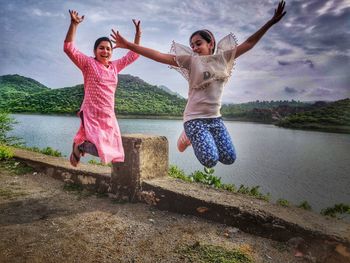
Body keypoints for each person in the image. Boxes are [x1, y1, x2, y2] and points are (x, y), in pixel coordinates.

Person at [111, 1, 286, 168]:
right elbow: (157, 55)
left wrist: (270, 22)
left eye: (198, 43)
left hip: (215, 119)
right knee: (210, 159)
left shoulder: (223, 58)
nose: (194, 48)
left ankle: (193, 137)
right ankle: (187, 135)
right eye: (192, 45)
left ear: (210, 44)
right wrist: (129, 45)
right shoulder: (190, 61)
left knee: (229, 158)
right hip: (194, 119)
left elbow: (249, 43)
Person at [64, 10, 141, 167]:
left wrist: (138, 35)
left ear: (112, 52)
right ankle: (80, 145)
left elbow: (133, 55)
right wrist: (74, 24)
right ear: (94, 51)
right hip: (91, 112)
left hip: (108, 114)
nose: (105, 51)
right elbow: (68, 48)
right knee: (101, 150)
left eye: (108, 49)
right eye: (101, 48)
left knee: (115, 151)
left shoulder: (114, 67)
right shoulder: (88, 64)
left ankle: (78, 146)